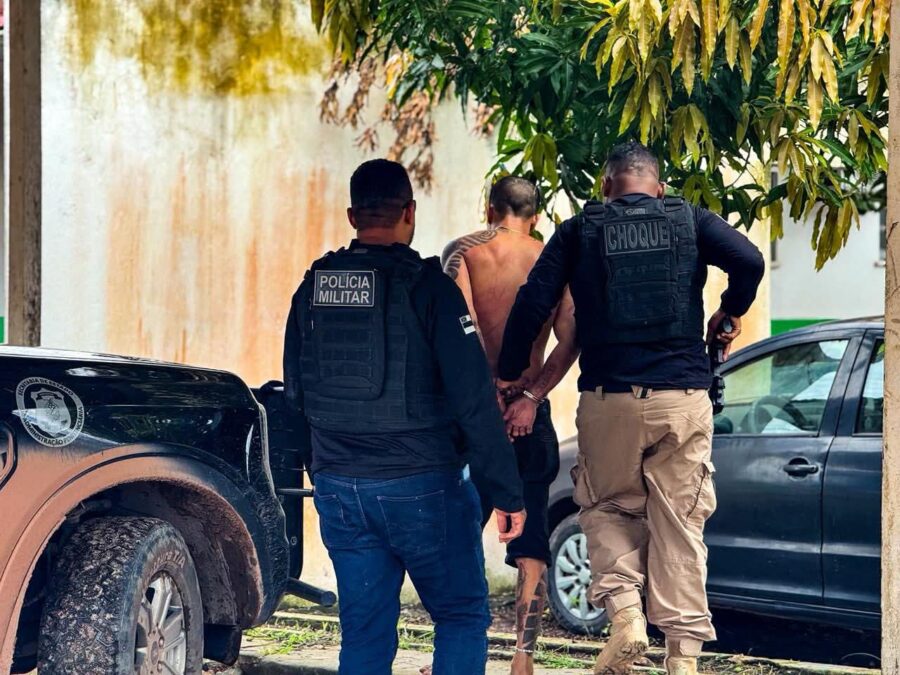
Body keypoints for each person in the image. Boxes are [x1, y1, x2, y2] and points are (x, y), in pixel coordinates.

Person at [496, 142, 765, 675]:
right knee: (681, 525)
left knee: (606, 509)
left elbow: (533, 301)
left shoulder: (580, 230)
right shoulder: (690, 220)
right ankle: (682, 658)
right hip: (681, 400)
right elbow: (751, 260)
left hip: (609, 400)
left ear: (606, 186)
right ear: (659, 188)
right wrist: (729, 310)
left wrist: (510, 372)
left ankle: (625, 617)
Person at [283, 159, 527, 675]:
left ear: (353, 217)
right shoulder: (429, 288)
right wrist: (506, 492)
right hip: (424, 487)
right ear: (409, 212)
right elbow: (473, 399)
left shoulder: (312, 288)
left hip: (339, 488)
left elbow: (295, 393)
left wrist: (320, 469)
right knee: (460, 616)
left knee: (364, 632)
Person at [442, 176, 578, 675]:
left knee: (457, 531)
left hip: (472, 418)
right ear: (535, 216)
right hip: (528, 416)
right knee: (532, 538)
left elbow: (459, 330)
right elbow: (570, 341)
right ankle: (524, 657)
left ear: (489, 209)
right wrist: (528, 397)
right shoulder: (554, 258)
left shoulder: (464, 253)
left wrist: (489, 398)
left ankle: (456, 651)